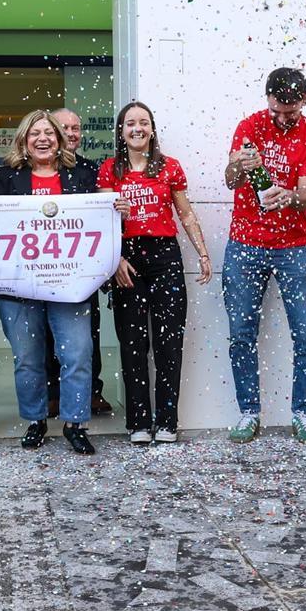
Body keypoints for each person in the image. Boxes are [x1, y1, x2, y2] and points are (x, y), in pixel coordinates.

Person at [0, 110, 119, 455]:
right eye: (35, 133)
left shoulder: (83, 175)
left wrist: (113, 208)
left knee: (77, 353)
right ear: (24, 140)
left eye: (50, 132)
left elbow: (100, 218)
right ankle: (36, 421)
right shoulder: (6, 177)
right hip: (20, 286)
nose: (43, 138)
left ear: (60, 140)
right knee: (28, 357)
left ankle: (75, 423)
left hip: (70, 284)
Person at [223, 68, 306, 444]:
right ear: (267, 97)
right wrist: (238, 164)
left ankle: (303, 413)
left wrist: (288, 194)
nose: (283, 118)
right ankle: (249, 413)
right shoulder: (249, 126)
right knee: (240, 334)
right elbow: (230, 180)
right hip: (245, 244)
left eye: (291, 111)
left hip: (296, 247)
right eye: (277, 110)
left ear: (303, 100)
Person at [98, 101, 212, 444]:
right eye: (130, 123)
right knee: (133, 343)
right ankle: (138, 423)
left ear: (152, 129)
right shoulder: (109, 170)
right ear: (121, 130)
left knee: (169, 342)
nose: (137, 128)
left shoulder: (170, 167)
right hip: (127, 259)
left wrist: (203, 252)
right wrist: (115, 258)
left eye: (143, 122)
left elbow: (186, 214)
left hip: (165, 256)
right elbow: (103, 221)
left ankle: (166, 422)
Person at [45, 107, 114, 418]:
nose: (72, 133)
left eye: (76, 128)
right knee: (46, 334)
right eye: (65, 127)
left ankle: (91, 392)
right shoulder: (35, 169)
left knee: (88, 333)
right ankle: (52, 394)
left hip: (81, 269)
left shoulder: (90, 170)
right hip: (43, 267)